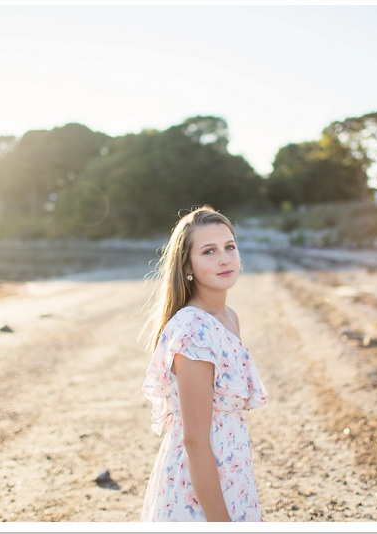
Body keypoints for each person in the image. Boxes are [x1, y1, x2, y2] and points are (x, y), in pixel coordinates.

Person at [140, 205, 269, 522]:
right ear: (188, 266)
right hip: (198, 491)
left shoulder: (229, 318)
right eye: (209, 251)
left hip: (232, 477)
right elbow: (195, 440)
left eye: (230, 247)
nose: (225, 259)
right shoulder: (194, 332)